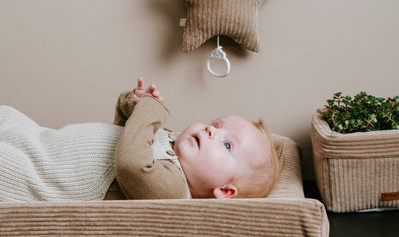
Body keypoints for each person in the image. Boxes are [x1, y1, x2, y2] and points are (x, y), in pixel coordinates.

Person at [0, 78, 279, 202]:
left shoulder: (172, 189)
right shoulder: (170, 146)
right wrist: (131, 108)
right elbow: (125, 141)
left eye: (227, 145)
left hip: (39, 175)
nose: (211, 132)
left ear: (225, 191)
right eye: (215, 125)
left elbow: (130, 164)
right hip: (45, 143)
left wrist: (151, 111)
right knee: (9, 116)